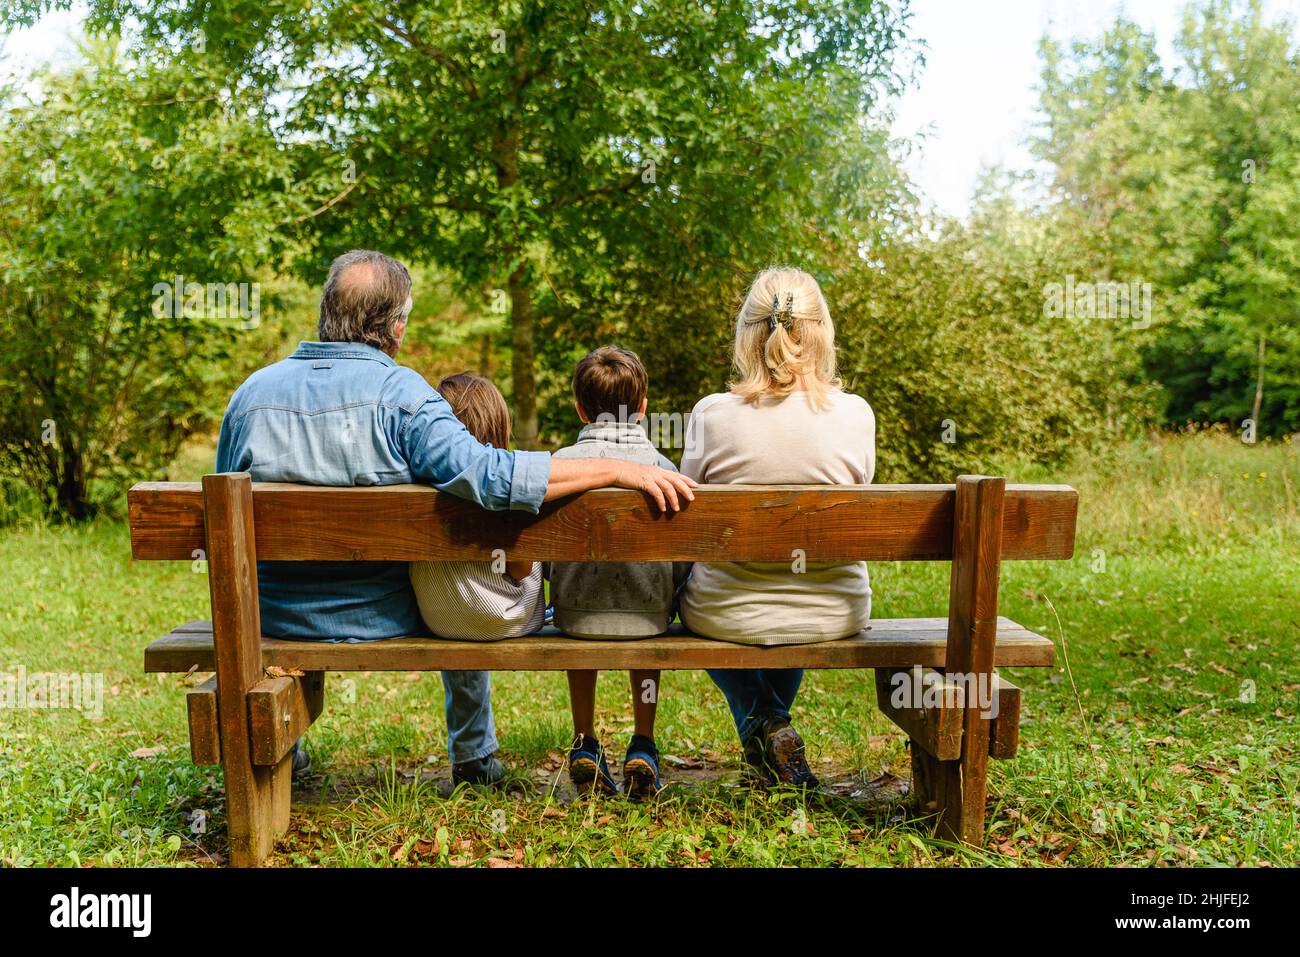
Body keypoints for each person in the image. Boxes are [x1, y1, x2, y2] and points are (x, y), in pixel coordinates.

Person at [215, 250, 695, 788]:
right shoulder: (404, 397)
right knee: (453, 581)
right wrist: (612, 468)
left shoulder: (250, 397)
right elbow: (490, 478)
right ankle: (473, 755)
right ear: (396, 328)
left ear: (326, 312)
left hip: (274, 619)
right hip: (384, 616)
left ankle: (293, 751)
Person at [679, 266, 875, 789]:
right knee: (793, 598)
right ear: (821, 332)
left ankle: (764, 722)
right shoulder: (856, 414)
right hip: (833, 608)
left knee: (701, 600)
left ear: (747, 334)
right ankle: (771, 729)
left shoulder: (711, 415)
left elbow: (683, 522)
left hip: (726, 610)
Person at [548, 346, 688, 801]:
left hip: (574, 617)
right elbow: (683, 561)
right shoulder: (664, 470)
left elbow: (546, 559)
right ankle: (643, 744)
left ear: (579, 408)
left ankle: (584, 739)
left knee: (579, 607)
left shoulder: (559, 467)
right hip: (648, 617)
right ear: (644, 408)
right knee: (646, 606)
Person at [409, 373, 545, 641]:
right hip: (505, 619)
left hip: (440, 617)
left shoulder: (424, 480)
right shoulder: (507, 486)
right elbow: (520, 570)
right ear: (499, 424)